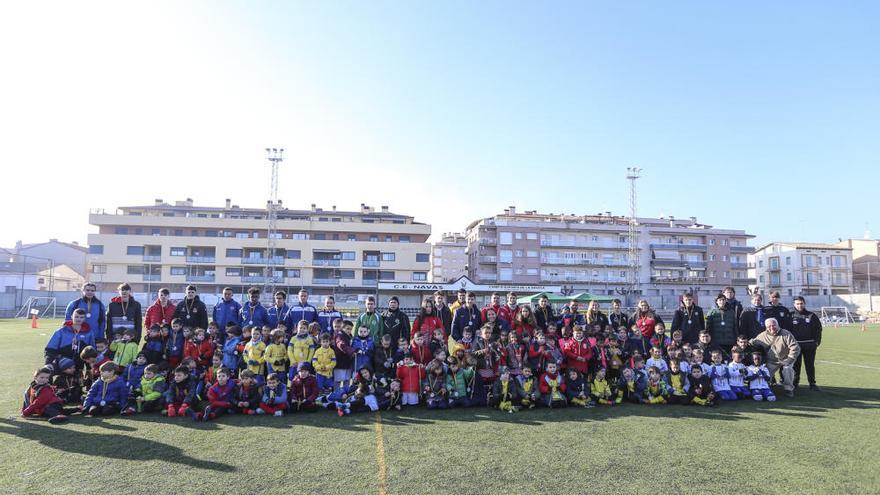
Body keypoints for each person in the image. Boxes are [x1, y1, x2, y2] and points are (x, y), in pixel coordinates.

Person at [750, 318, 801, 397]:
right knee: (765, 374)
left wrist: (789, 359)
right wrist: (740, 346)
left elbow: (795, 348)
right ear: (766, 327)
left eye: (773, 325)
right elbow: (752, 342)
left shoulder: (786, 333)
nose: (771, 328)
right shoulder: (763, 335)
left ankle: (789, 389)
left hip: (786, 358)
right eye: (769, 326)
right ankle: (765, 387)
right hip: (771, 361)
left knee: (787, 369)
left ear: (777, 325)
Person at [790, 296, 822, 390]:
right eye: (797, 303)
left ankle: (812, 384)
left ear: (804, 304)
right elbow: (786, 330)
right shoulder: (790, 315)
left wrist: (816, 342)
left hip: (809, 345)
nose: (799, 305)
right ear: (794, 304)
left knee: (810, 365)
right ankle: (795, 383)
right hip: (795, 345)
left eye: (801, 303)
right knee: (796, 365)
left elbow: (818, 329)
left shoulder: (811, 315)